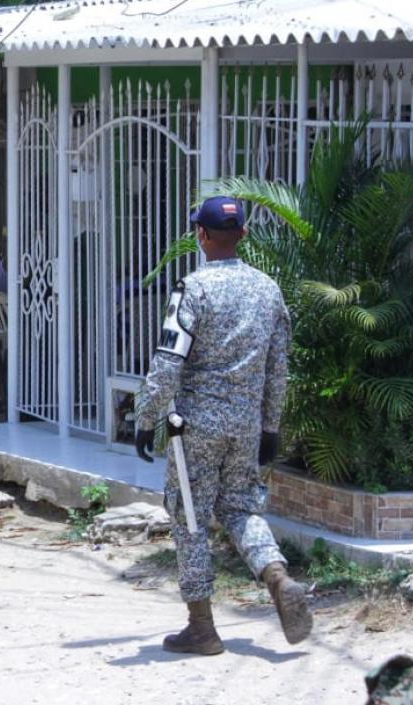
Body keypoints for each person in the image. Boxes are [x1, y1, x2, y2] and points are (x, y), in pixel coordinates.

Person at [134, 195, 310, 655]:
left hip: (197, 426)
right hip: (246, 424)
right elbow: (278, 368)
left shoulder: (193, 289)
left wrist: (145, 417)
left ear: (201, 235)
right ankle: (277, 576)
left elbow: (169, 362)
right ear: (244, 235)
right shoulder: (268, 290)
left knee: (189, 517)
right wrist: (270, 428)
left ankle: (202, 628)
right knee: (241, 509)